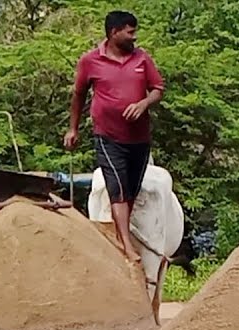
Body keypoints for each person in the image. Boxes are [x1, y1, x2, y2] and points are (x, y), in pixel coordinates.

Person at [64, 10, 165, 263]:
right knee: (117, 189)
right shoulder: (90, 61)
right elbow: (78, 95)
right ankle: (126, 246)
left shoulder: (142, 58)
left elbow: (158, 89)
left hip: (139, 138)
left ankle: (118, 233)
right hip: (107, 136)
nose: (134, 37)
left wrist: (143, 104)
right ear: (113, 33)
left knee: (130, 189)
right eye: (130, 32)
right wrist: (73, 128)